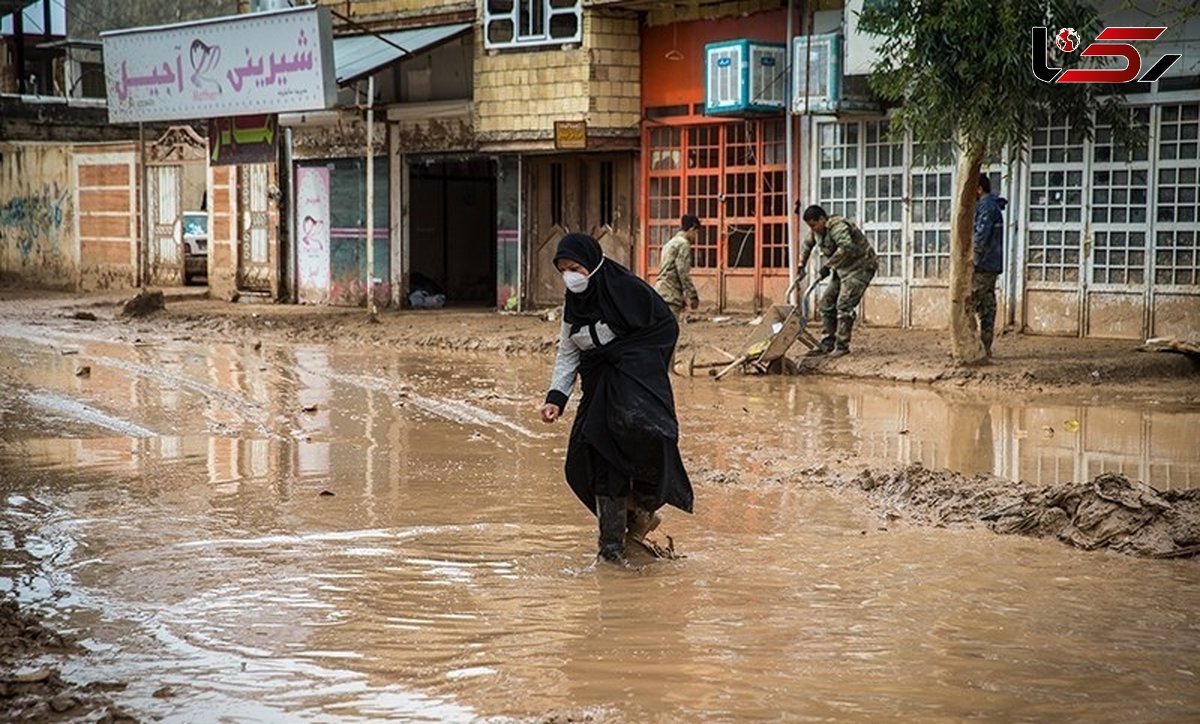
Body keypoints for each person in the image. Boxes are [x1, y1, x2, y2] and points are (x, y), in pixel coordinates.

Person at [540, 233, 694, 565]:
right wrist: (556, 397)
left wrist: (629, 359)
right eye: (563, 270)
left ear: (593, 264)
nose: (570, 276)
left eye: (576, 268)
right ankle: (625, 530)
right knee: (581, 465)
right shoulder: (573, 304)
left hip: (633, 387)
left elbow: (662, 329)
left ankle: (617, 543)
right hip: (596, 391)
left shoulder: (628, 291)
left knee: (644, 444)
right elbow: (569, 353)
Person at [795, 204, 878, 358]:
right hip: (842, 269)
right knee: (826, 303)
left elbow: (846, 247)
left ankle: (842, 345)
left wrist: (828, 266)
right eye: (810, 226)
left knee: (844, 304)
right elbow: (807, 245)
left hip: (860, 267)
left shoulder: (837, 226)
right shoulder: (816, 232)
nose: (813, 229)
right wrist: (801, 265)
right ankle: (827, 343)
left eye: (814, 225)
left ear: (822, 219)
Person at [654, 214, 702, 374]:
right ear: (692, 229)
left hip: (660, 292)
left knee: (661, 332)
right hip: (671, 294)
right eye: (696, 233)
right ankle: (669, 369)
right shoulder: (683, 244)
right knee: (671, 332)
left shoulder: (669, 243)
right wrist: (692, 295)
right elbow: (682, 272)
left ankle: (662, 367)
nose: (696, 237)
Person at [972, 174, 1008, 358]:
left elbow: (980, 236)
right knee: (987, 307)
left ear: (979, 189)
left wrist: (971, 260)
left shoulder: (985, 206)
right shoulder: (993, 206)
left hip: (983, 265)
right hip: (991, 264)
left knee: (969, 304)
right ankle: (985, 348)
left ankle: (971, 348)